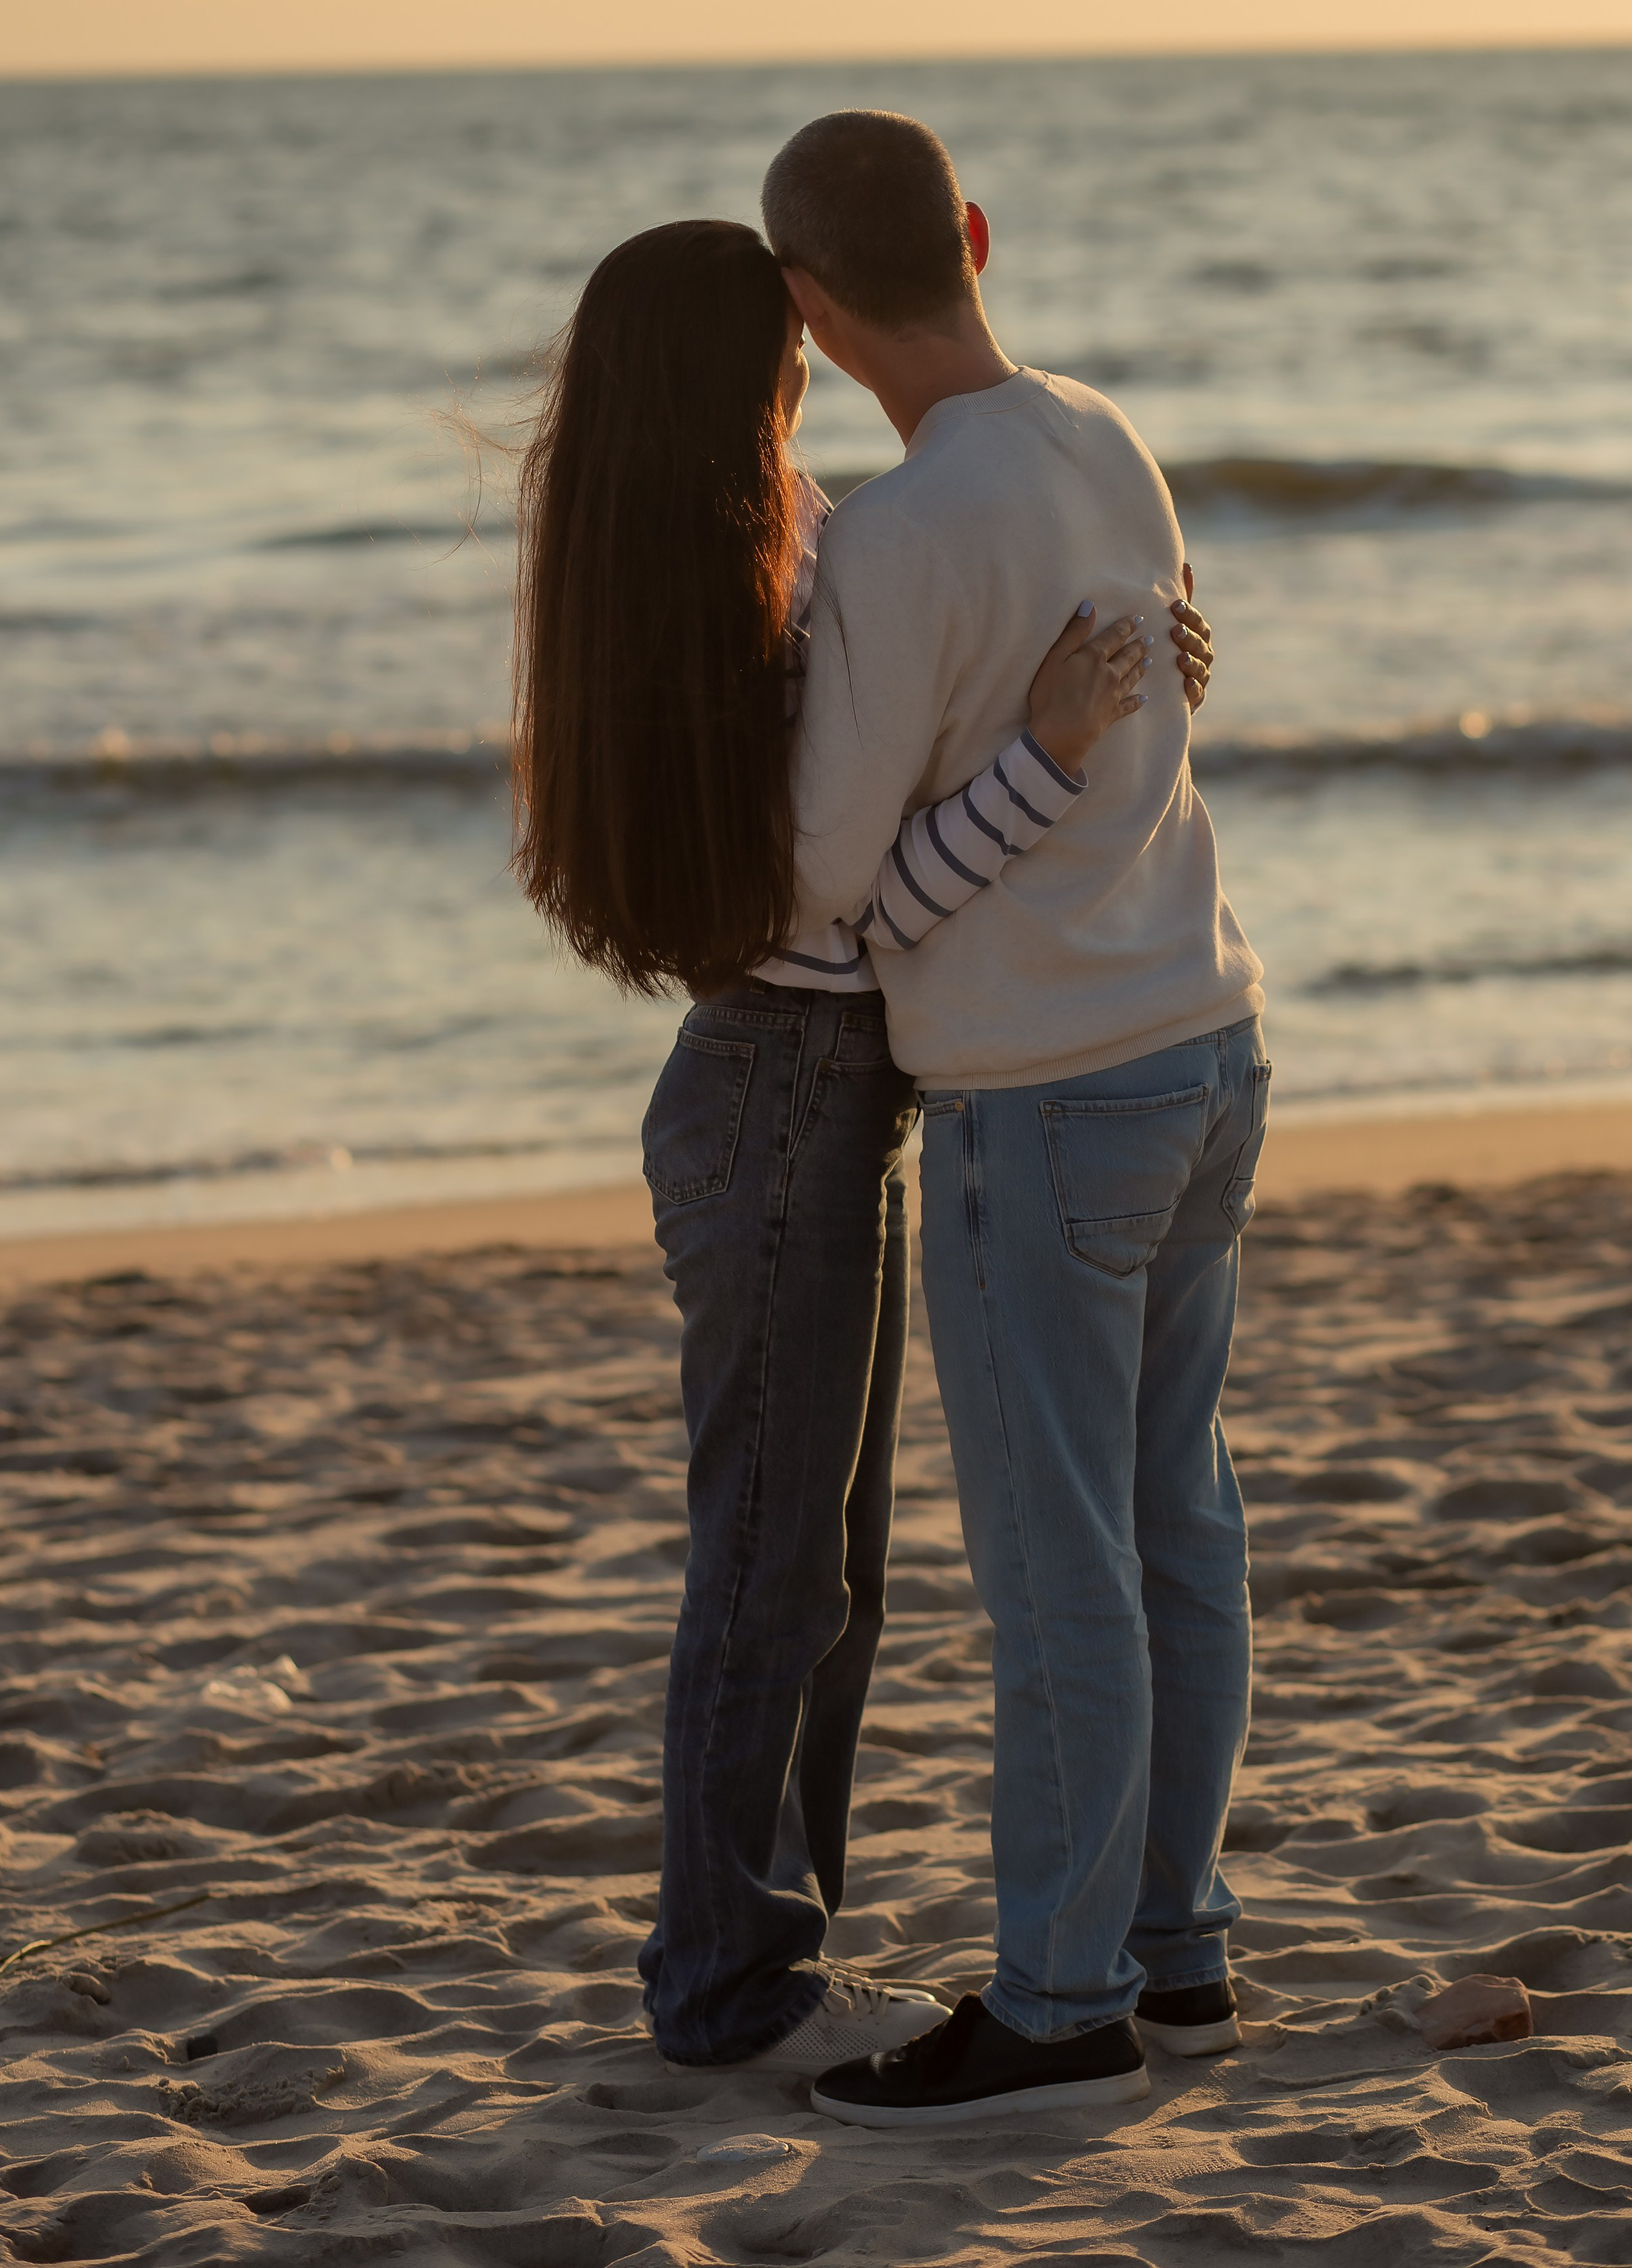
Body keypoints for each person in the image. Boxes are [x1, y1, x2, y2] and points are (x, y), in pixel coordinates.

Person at [510, 218, 1211, 2074]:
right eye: (780, 338)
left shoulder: (777, 537)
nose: (809, 355)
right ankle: (724, 1981)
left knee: (832, 1568)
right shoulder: (759, 574)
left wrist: (1140, 665)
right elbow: (850, 895)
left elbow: (917, 744)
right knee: (774, 1563)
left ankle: (768, 1947)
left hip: (821, 1094)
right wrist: (1054, 747)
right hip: (780, 1090)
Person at [757, 114, 1268, 2128]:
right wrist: (1047, 767)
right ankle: (1173, 1948)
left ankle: (1060, 2008)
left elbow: (827, 892)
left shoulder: (896, 541)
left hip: (1045, 1096)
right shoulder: (1104, 434)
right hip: (1203, 1035)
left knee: (1063, 1574)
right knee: (1174, 1525)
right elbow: (1171, 697)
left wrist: (985, 808)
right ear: (971, 235)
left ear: (810, 311)